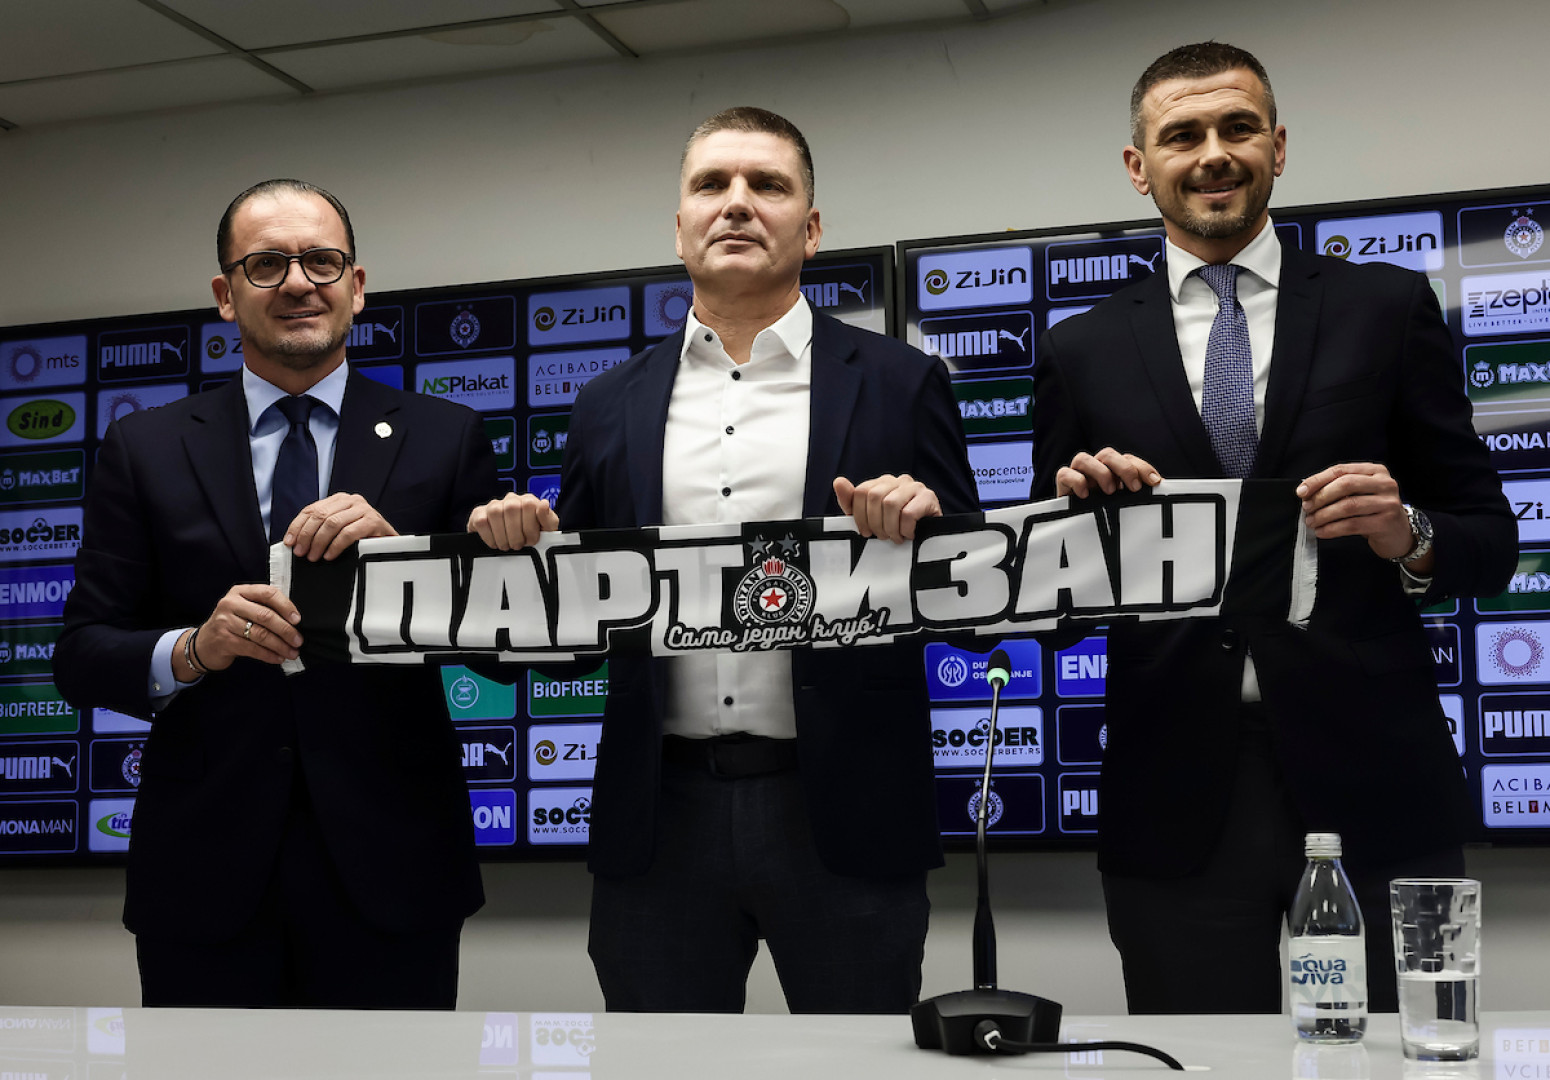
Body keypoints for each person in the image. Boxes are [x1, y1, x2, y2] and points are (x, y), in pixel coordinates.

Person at [1032, 42, 1515, 1014]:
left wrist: (1406, 531)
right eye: (1182, 134)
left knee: (1417, 1056)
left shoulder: (1385, 308)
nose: (1212, 153)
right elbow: (1049, 609)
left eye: (1237, 127)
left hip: (1383, 781)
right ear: (1138, 166)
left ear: (1277, 147)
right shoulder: (1079, 349)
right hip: (1171, 791)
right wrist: (1080, 540)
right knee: (1201, 1063)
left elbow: (1490, 543)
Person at [470, 107, 978, 1013]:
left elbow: (980, 606)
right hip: (659, 817)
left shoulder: (904, 382)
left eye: (766, 185)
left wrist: (933, 532)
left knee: (860, 1068)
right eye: (711, 185)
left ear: (810, 230)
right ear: (681, 228)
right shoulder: (605, 403)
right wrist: (518, 559)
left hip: (845, 813)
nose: (736, 204)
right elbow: (572, 634)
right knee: (659, 1069)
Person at [54, 179, 501, 1008]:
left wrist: (406, 562)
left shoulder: (447, 437)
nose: (298, 282)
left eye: (321, 261)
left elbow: (504, 652)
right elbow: (81, 655)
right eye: (266, 265)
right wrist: (195, 649)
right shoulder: (144, 447)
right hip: (204, 873)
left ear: (356, 286)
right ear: (226, 295)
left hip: (394, 867)